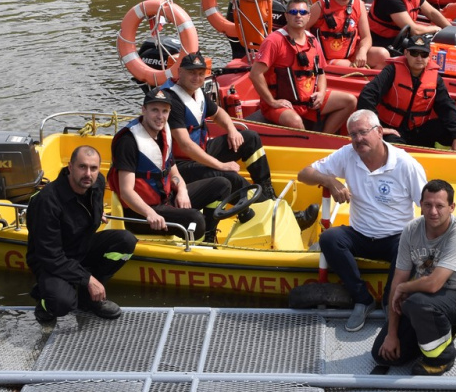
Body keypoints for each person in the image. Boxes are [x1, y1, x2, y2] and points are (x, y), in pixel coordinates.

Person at [297, 109, 428, 332]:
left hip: (396, 237)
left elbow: (426, 206)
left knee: (413, 243)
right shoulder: (347, 154)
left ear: (379, 132)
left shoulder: (406, 164)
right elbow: (304, 174)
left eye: (363, 132)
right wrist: (330, 180)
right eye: (353, 134)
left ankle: (389, 301)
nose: (358, 139)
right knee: (329, 238)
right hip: (360, 235)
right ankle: (362, 299)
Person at [165, 51, 320, 228]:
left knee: (250, 138)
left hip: (201, 151)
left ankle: (267, 193)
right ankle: (275, 215)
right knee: (230, 177)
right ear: (180, 72)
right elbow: (185, 145)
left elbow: (218, 113)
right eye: (192, 73)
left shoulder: (196, 92)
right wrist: (221, 165)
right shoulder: (172, 100)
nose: (197, 77)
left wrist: (232, 130)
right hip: (182, 165)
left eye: (201, 73)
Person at [373, 179, 456, 376]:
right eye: (428, 205)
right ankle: (439, 330)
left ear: (451, 207)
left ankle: (442, 359)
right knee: (383, 355)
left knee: (417, 303)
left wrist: (404, 289)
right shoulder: (411, 230)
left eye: (440, 206)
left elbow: (433, 284)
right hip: (428, 295)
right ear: (420, 205)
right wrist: (392, 334)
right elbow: (398, 279)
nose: (433, 211)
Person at [26, 145, 137, 323]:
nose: (88, 174)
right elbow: (50, 256)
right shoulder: (47, 201)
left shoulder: (97, 183)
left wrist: (97, 212)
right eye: (82, 167)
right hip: (52, 260)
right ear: (70, 167)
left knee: (126, 241)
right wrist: (87, 279)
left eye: (93, 168)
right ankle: (44, 301)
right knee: (62, 303)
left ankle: (89, 299)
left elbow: (90, 207)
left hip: (82, 246)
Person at [110, 87, 231, 243]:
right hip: (141, 213)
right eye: (155, 110)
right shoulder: (128, 141)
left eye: (165, 111)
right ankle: (199, 247)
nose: (160, 116)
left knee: (222, 185)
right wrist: (150, 214)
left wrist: (182, 190)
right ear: (144, 110)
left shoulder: (163, 132)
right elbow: (126, 191)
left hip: (166, 200)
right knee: (196, 219)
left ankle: (208, 237)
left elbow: (172, 170)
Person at [250, 0, 357, 134]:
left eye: (303, 12)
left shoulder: (312, 40)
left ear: (309, 16)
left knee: (350, 101)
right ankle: (307, 142)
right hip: (282, 104)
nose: (298, 15)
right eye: (293, 12)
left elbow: (320, 72)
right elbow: (255, 74)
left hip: (307, 100)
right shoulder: (273, 41)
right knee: (295, 121)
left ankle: (324, 138)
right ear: (286, 16)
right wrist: (271, 101)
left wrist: (321, 93)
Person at [356, 34, 456, 151]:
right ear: (406, 53)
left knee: (451, 130)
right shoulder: (392, 71)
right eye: (414, 53)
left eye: (424, 54)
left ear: (429, 56)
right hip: (392, 130)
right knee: (397, 151)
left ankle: (442, 154)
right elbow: (367, 95)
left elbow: (447, 108)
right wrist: (375, 127)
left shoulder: (435, 79)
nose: (419, 58)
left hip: (418, 131)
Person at [306, 0, 390, 69]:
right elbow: (300, 29)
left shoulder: (359, 5)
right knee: (359, 69)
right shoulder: (320, 6)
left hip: (352, 54)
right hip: (328, 59)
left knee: (383, 55)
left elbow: (366, 37)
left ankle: (375, 79)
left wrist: (362, 51)